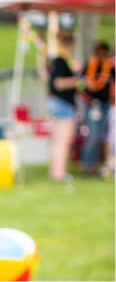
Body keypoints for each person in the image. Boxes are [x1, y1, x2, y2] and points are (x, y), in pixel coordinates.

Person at [46, 30, 80, 182]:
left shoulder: (57, 61)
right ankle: (59, 172)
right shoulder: (61, 61)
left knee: (56, 141)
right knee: (63, 140)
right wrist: (77, 80)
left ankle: (55, 171)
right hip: (63, 104)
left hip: (57, 103)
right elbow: (58, 83)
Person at [79, 41, 114, 175]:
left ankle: (95, 165)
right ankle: (86, 165)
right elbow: (80, 82)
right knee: (93, 135)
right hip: (91, 104)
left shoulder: (109, 67)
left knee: (100, 136)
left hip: (104, 105)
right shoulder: (89, 65)